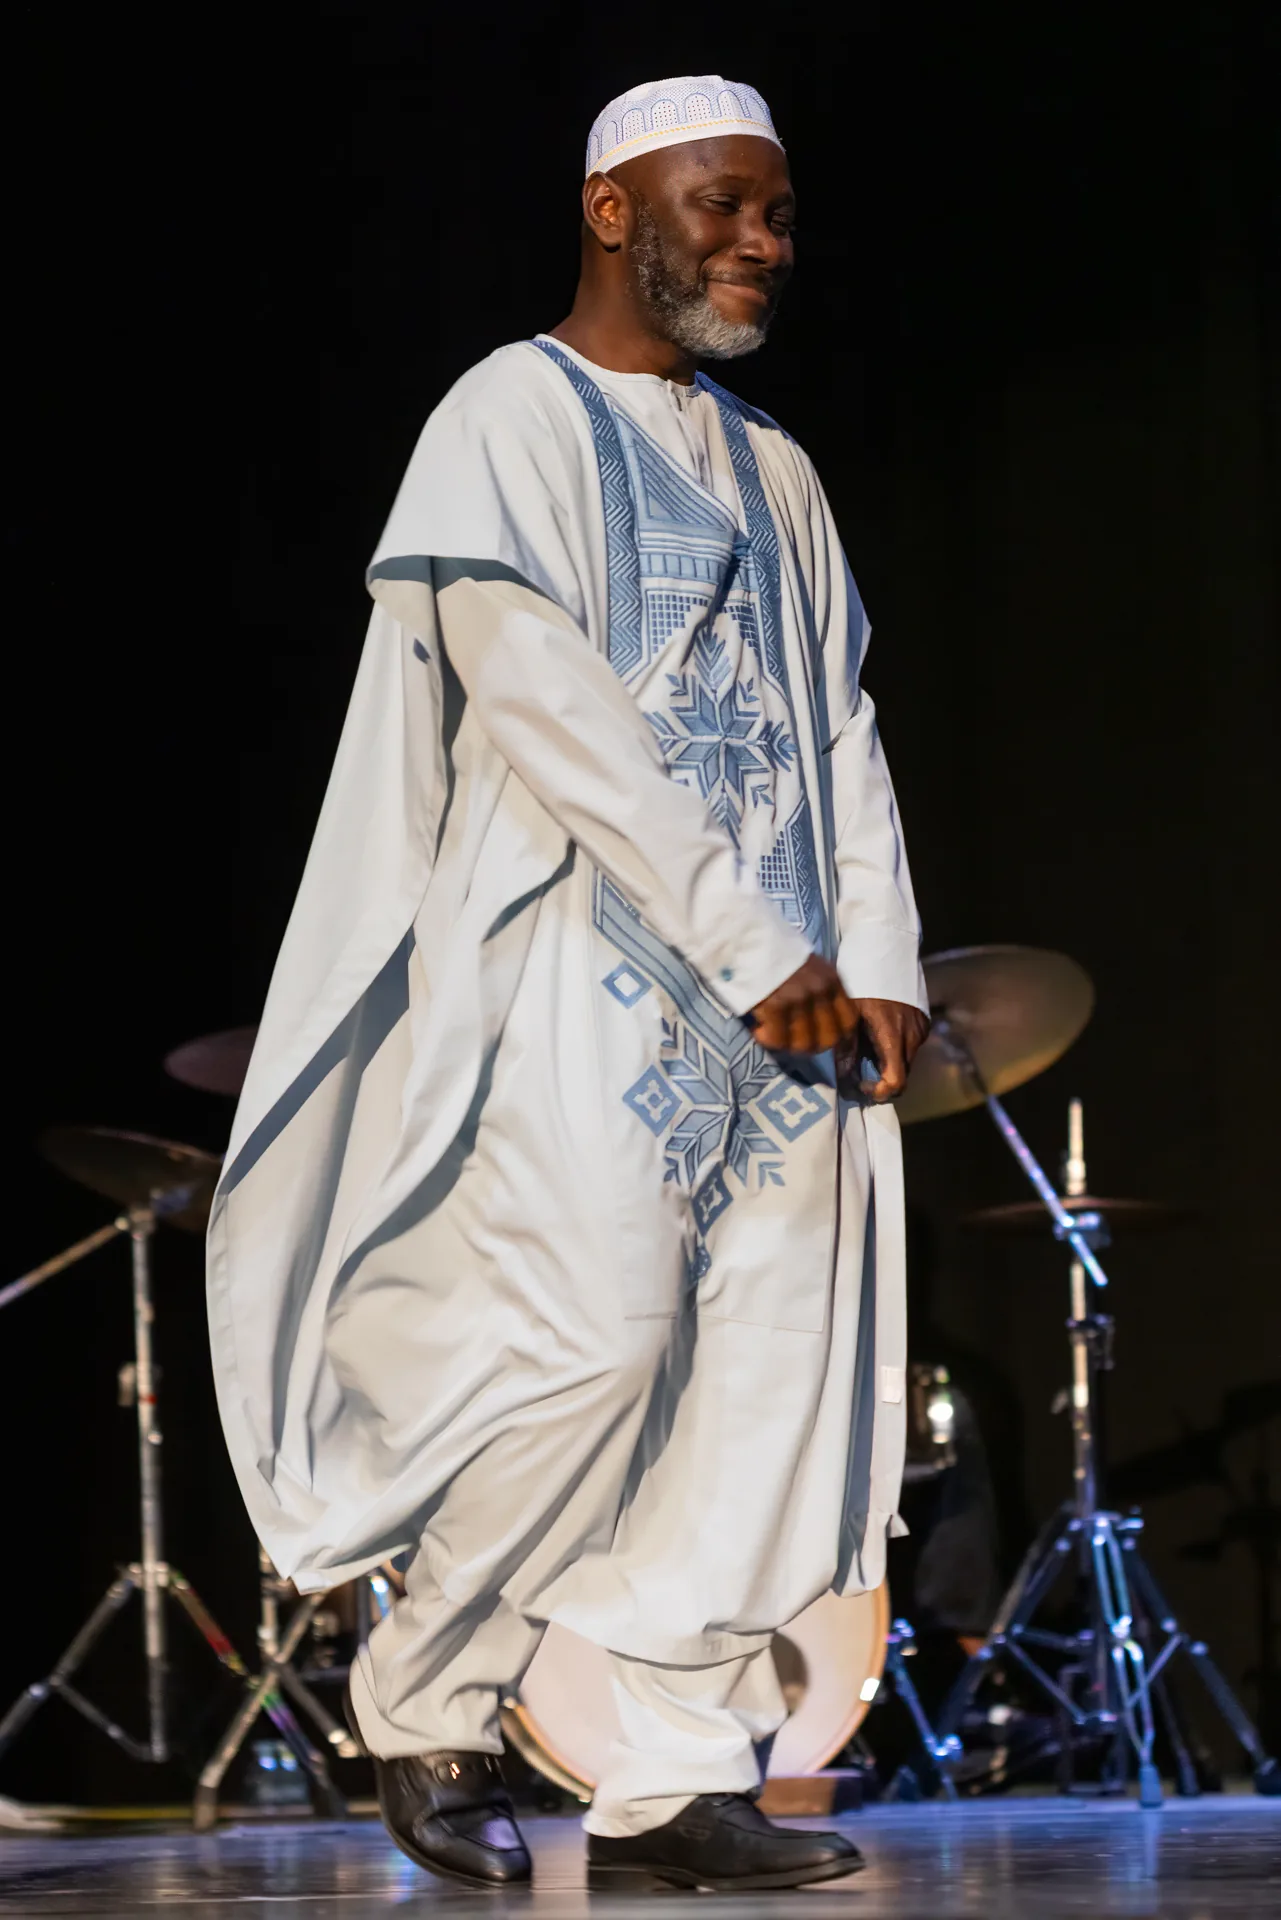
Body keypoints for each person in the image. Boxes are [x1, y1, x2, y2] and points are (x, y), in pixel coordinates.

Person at [207, 74, 928, 1893]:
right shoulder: (502, 419)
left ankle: (677, 1775)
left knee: (757, 1387)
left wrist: (884, 959)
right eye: (720, 206)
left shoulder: (776, 464)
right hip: (582, 975)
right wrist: (766, 950)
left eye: (775, 210)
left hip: (801, 1013)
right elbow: (559, 719)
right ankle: (432, 1695)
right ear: (612, 209)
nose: (759, 241)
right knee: (589, 1354)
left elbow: (836, 721)